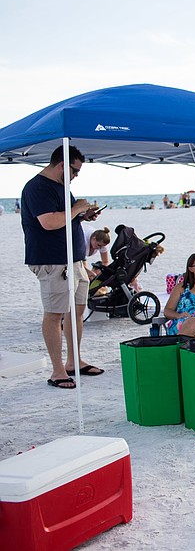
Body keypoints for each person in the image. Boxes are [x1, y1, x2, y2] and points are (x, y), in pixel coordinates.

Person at [21, 145, 104, 389]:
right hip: (52, 261)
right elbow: (48, 222)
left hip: (75, 260)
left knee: (76, 311)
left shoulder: (61, 186)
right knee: (54, 314)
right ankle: (57, 370)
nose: (76, 176)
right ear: (61, 165)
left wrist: (83, 215)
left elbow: (65, 216)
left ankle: (73, 361)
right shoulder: (37, 187)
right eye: (75, 171)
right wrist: (77, 208)